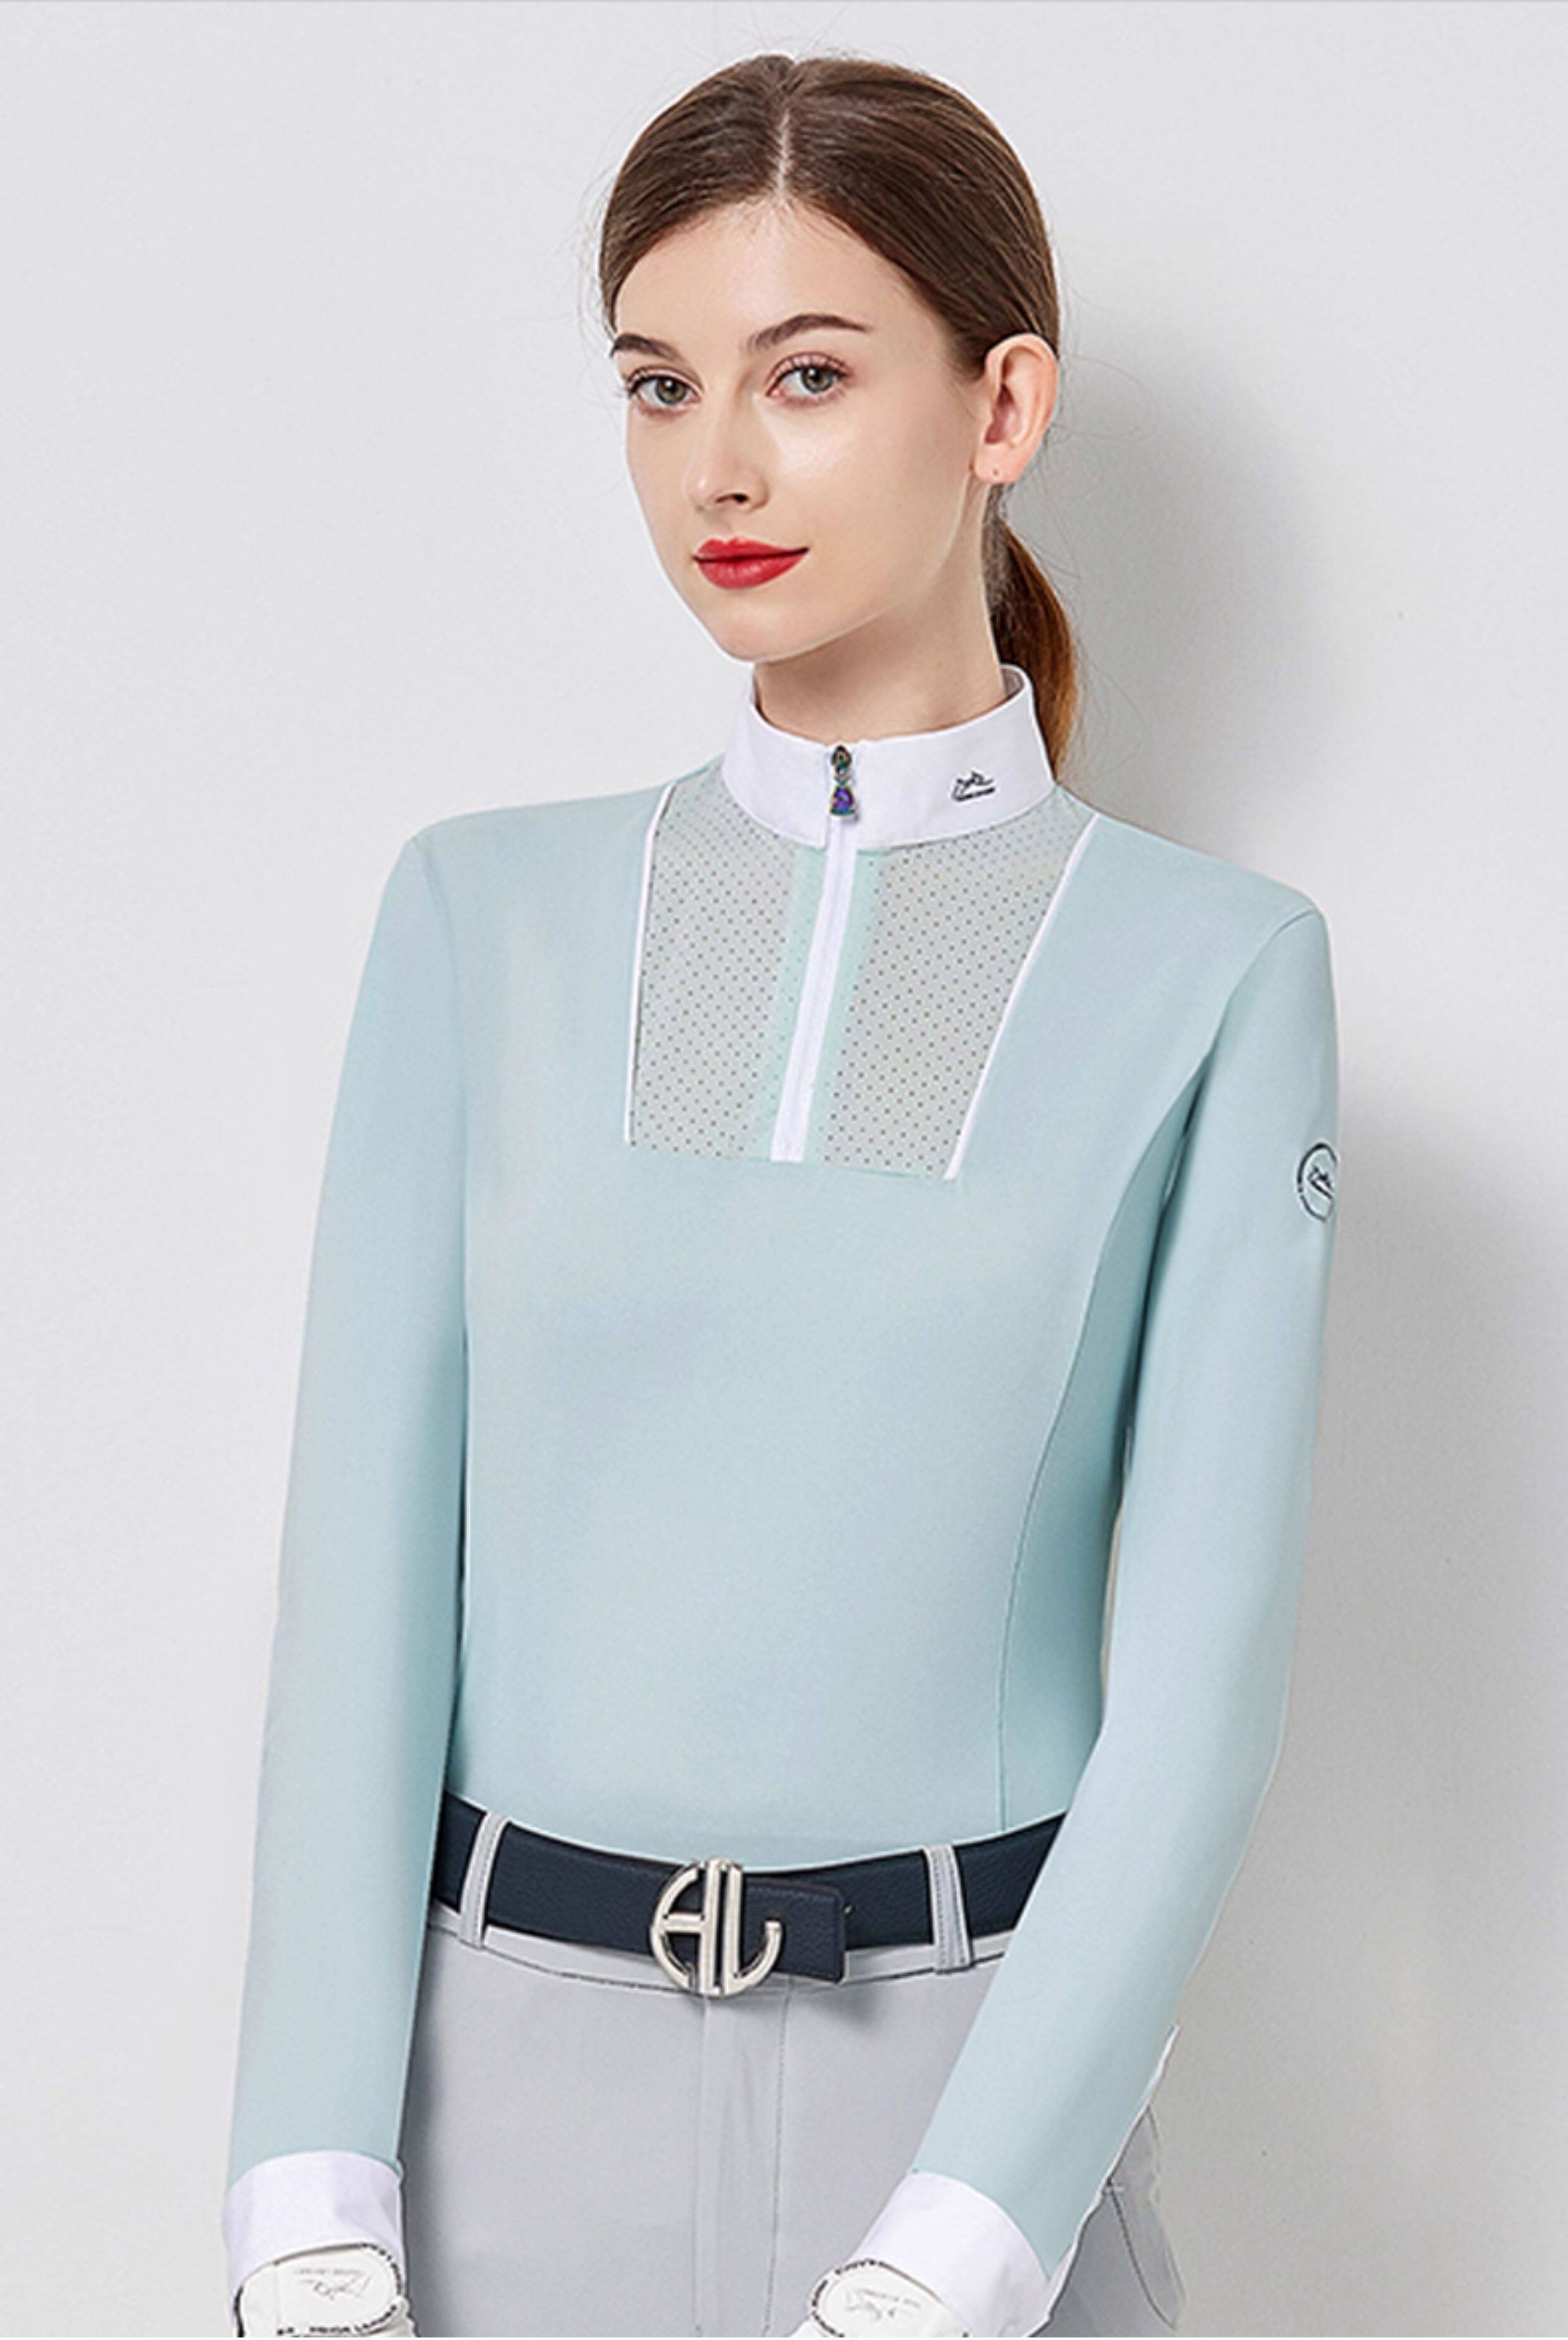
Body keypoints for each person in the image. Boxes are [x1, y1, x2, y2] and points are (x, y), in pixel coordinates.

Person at [221, 49, 1341, 2340]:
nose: (715, 466)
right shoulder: (479, 921)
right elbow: (359, 1598)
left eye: (807, 375)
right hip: (484, 2142)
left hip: (966, 2144)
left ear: (1001, 404)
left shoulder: (1215, 975)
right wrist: (305, 2186)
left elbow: (1201, 1696)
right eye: (660, 385)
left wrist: (963, 2245)